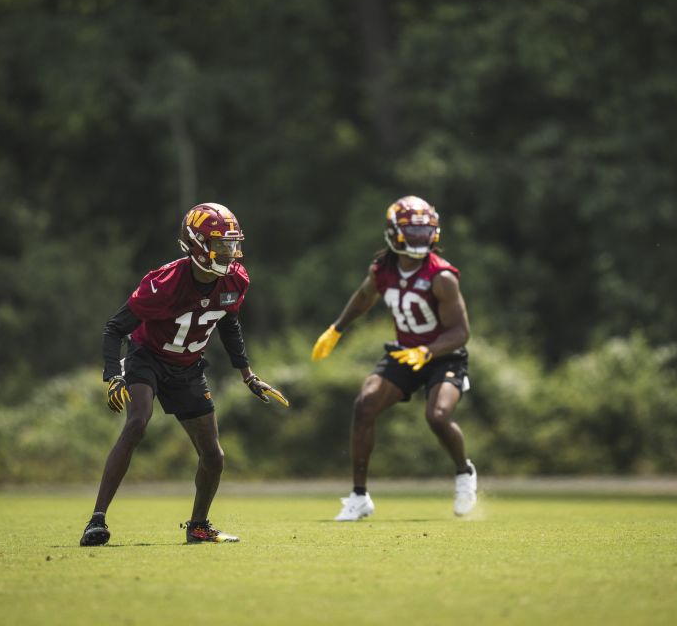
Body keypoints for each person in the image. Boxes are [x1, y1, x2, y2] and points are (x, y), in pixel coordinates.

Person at [80, 202, 287, 546]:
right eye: (220, 244)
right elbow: (115, 329)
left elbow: (229, 323)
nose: (229, 251)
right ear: (196, 244)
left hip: (188, 367)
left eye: (232, 244)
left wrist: (248, 375)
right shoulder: (165, 283)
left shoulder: (236, 279)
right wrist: (113, 374)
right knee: (137, 423)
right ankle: (96, 520)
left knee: (214, 456)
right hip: (148, 357)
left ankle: (199, 526)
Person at [311, 195, 476, 521]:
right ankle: (359, 497)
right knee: (365, 403)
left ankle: (464, 473)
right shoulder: (382, 271)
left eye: (423, 232)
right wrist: (336, 328)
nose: (418, 238)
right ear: (394, 233)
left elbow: (460, 332)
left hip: (444, 356)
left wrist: (428, 351)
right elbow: (363, 297)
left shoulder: (441, 277)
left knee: (438, 416)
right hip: (404, 354)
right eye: (412, 232)